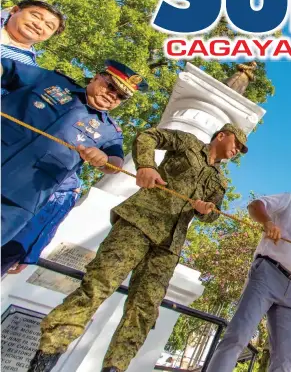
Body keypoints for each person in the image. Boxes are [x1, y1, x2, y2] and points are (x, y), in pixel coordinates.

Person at [28, 123, 248, 372]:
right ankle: (46, 355)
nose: (237, 151)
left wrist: (204, 211)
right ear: (221, 136)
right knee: (98, 285)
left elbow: (212, 215)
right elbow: (148, 136)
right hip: (138, 223)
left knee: (144, 310)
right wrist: (146, 165)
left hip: (168, 245)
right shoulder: (187, 143)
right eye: (236, 144)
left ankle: (115, 367)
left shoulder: (219, 181)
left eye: (241, 149)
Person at [1, 58, 147, 245]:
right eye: (111, 87)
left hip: (18, 199)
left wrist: (103, 160)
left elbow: (115, 164)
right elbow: (7, 69)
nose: (113, 96)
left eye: (120, 96)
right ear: (96, 77)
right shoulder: (52, 82)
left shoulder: (111, 131)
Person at [206, 182, 291, 372]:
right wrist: (268, 222)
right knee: (239, 335)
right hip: (267, 273)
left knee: (286, 356)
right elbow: (255, 205)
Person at [1, 172, 82, 276]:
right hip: (8, 235)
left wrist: (29, 256)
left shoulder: (75, 188)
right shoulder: (61, 170)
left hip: (18, 248)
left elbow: (50, 227)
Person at [1, 0, 66, 96]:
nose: (38, 25)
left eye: (49, 26)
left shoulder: (30, 72)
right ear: (14, 10)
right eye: (35, 16)